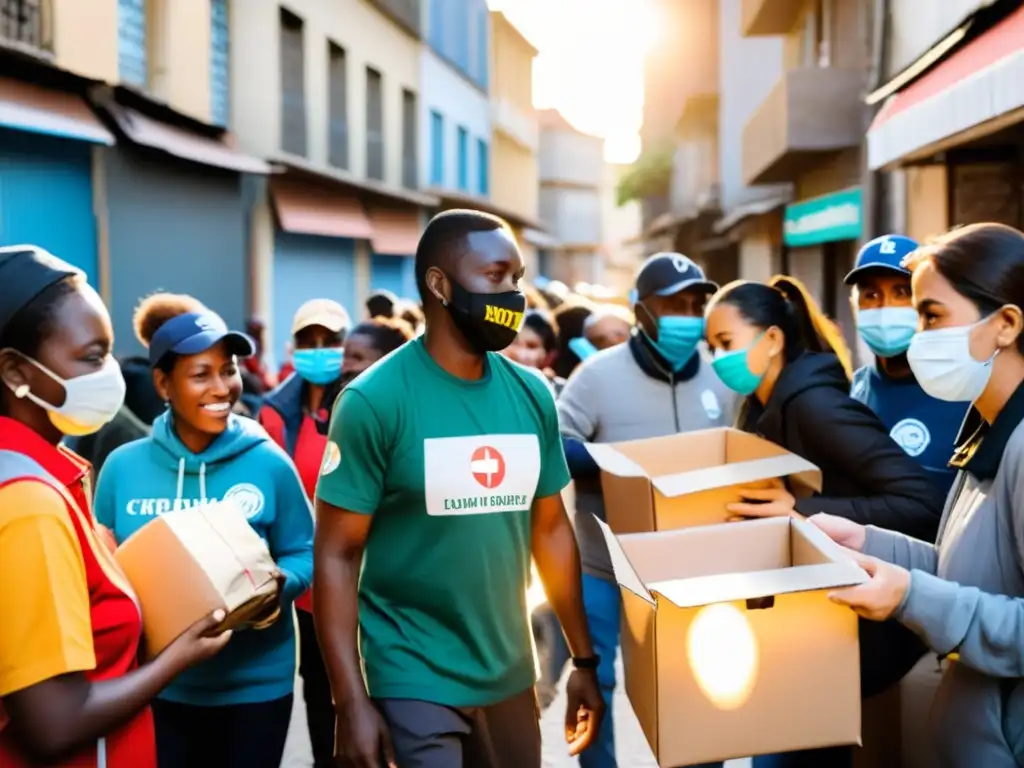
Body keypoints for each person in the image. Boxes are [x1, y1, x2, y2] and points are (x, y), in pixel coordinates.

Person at [314, 209, 604, 768]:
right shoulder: (374, 401)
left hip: (511, 672)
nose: (512, 294)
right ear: (439, 285)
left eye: (517, 279)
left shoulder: (532, 396)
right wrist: (349, 702)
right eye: (495, 277)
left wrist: (584, 663)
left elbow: (550, 532)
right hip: (411, 672)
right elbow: (336, 552)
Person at [703, 275, 947, 768]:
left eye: (726, 343)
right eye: (712, 347)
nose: (717, 360)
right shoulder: (761, 405)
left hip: (854, 633)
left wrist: (802, 513)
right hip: (804, 626)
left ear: (772, 339)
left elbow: (922, 501)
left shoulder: (817, 405)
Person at [0, 246, 229, 768]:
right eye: (90, 357)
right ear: (16, 371)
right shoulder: (30, 503)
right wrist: (180, 656)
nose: (110, 373)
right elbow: (53, 722)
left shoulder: (41, 472)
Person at [813, 222, 1024, 768]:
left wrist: (910, 597)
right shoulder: (986, 427)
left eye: (929, 314)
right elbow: (973, 572)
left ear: (1005, 325)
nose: (915, 332)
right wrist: (867, 541)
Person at [93, 293, 315, 768]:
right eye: (201, 374)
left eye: (229, 369)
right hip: (157, 685)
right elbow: (103, 565)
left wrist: (279, 584)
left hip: (255, 686)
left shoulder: (268, 462)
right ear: (163, 383)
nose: (222, 387)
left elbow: (304, 550)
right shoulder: (121, 468)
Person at [558, 252, 735, 768]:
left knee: (699, 683)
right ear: (641, 311)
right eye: (674, 303)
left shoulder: (722, 376)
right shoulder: (596, 376)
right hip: (604, 565)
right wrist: (622, 463)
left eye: (696, 303)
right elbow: (558, 445)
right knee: (598, 681)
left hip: (693, 568)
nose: (689, 314)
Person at [258, 298, 349, 768]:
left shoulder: (359, 400)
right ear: (293, 347)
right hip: (308, 575)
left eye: (329, 340)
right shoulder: (275, 414)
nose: (319, 349)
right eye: (308, 341)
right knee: (317, 681)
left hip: (361, 569)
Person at [848, 234, 967, 495]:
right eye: (871, 294)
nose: (884, 307)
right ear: (855, 306)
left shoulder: (965, 391)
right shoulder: (857, 388)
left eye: (902, 292)